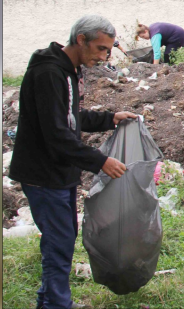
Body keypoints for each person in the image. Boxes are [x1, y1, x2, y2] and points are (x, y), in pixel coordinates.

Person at [8, 15, 138, 309]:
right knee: (59, 241)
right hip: (43, 173)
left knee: (62, 237)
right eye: (101, 49)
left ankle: (50, 300)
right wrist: (100, 161)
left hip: (59, 171)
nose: (105, 57)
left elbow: (71, 118)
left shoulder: (69, 70)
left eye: (108, 50)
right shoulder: (49, 74)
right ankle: (56, 304)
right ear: (81, 40)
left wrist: (109, 118)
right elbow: (56, 134)